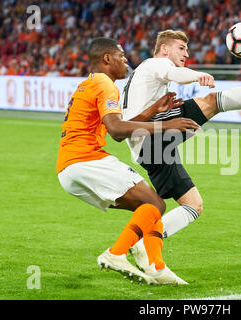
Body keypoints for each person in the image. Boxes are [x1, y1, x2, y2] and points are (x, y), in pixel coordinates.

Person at [119, 30, 241, 272]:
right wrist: (198, 76)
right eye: (180, 48)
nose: (186, 53)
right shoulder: (158, 62)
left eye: (186, 49)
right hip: (152, 137)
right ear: (164, 49)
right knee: (214, 102)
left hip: (148, 147)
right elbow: (174, 73)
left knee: (193, 205)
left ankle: (146, 241)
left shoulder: (142, 71)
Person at [56, 37, 201, 285]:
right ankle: (116, 253)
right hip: (87, 159)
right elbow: (116, 130)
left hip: (68, 171)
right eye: (122, 57)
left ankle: (156, 266)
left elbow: (118, 130)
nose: (127, 62)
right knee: (156, 203)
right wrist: (167, 124)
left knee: (148, 210)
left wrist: (152, 111)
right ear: (107, 59)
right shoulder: (105, 84)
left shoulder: (88, 84)